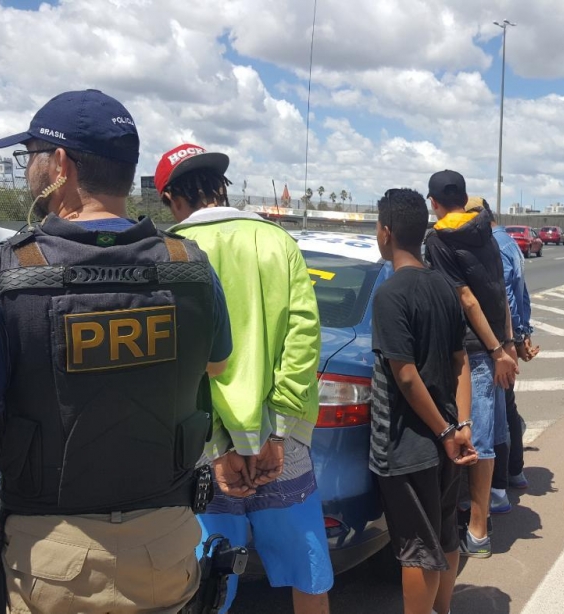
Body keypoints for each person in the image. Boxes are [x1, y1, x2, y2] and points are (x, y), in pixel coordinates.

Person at [0, 90, 233, 613]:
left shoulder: (8, 276)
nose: (28, 173)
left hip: (54, 563)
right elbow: (217, 364)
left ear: (60, 164)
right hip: (170, 550)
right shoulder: (192, 267)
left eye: (32, 157)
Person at [159, 143, 333, 614]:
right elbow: (303, 339)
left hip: (202, 451)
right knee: (308, 571)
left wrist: (218, 447)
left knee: (201, 580)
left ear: (173, 198)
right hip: (282, 444)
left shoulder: (169, 254)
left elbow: (177, 366)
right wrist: (274, 432)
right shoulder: (278, 241)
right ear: (221, 188)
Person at [370, 187, 477, 614]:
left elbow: (407, 376)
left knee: (416, 548)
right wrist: (460, 425)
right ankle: (443, 609)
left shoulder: (390, 295)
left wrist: (447, 431)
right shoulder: (444, 288)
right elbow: (461, 362)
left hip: (409, 444)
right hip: (447, 439)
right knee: (445, 533)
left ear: (386, 232)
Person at [424, 170, 518, 559]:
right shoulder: (485, 228)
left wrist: (496, 351)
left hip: (476, 351)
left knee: (477, 440)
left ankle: (477, 532)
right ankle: (478, 514)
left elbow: (465, 299)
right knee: (491, 435)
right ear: (464, 197)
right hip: (495, 346)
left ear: (434, 203)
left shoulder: (437, 238)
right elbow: (499, 291)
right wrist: (507, 345)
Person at [467, 198, 539, 515]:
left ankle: (497, 488)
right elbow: (521, 295)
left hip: (495, 344)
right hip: (506, 340)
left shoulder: (492, 245)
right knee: (505, 409)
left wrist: (510, 341)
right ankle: (513, 474)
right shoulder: (509, 242)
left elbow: (505, 296)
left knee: (495, 415)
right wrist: (522, 333)